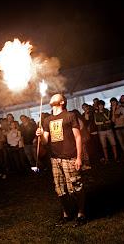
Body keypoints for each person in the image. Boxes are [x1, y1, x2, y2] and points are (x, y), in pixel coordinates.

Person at [36, 94, 87, 227]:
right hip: (55, 159)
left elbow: (78, 137)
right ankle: (66, 214)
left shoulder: (70, 116)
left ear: (62, 102)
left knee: (75, 188)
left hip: (70, 157)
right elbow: (45, 141)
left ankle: (81, 213)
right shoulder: (47, 120)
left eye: (55, 97)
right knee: (59, 189)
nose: (51, 98)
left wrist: (79, 157)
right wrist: (41, 135)